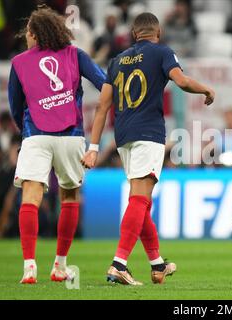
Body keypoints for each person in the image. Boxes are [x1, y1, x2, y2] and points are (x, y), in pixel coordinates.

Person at [81, 12, 215, 286]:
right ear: (158, 33)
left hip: (123, 136)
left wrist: (93, 146)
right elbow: (181, 81)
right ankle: (119, 264)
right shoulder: (162, 52)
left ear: (133, 33)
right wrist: (206, 90)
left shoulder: (117, 61)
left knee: (141, 202)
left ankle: (157, 266)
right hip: (149, 134)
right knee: (140, 201)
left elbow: (102, 106)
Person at [8, 5, 106, 284]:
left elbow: (16, 107)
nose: (26, 37)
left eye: (28, 32)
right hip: (71, 135)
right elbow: (104, 84)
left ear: (35, 35)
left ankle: (29, 267)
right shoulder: (76, 55)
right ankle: (60, 265)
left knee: (30, 197)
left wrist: (27, 131)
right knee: (70, 197)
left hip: (36, 135)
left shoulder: (19, 62)